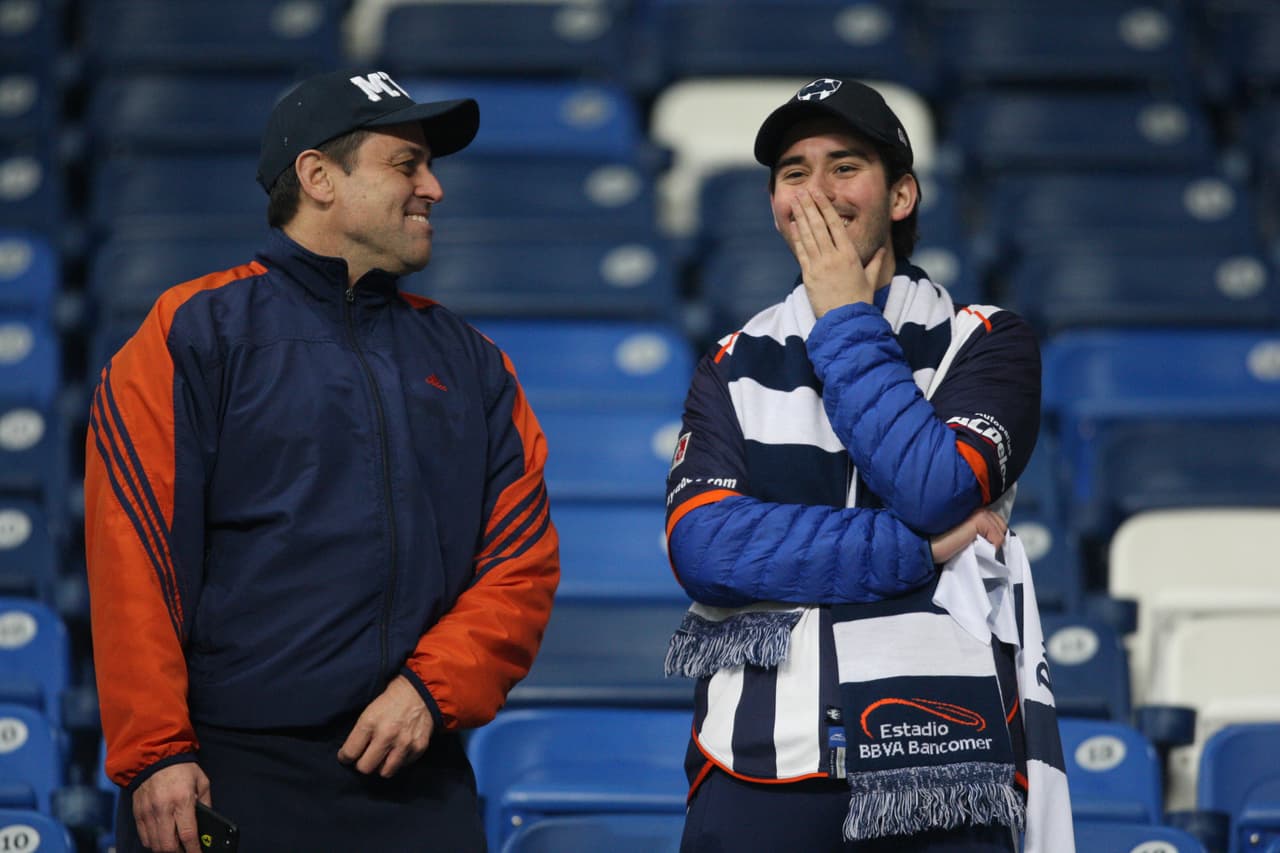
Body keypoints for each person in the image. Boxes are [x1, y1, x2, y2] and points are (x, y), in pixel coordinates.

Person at [84, 69, 560, 852]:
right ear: (317, 178)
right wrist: (158, 751)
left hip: (414, 771)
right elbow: (133, 555)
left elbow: (522, 561)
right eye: (406, 164)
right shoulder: (193, 331)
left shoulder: (473, 363)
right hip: (222, 773)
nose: (433, 188)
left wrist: (430, 688)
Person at [663, 78, 1068, 851]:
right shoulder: (728, 363)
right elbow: (708, 551)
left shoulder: (984, 339)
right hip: (757, 763)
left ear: (903, 194)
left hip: (941, 768)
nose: (816, 192)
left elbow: (932, 486)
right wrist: (917, 550)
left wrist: (845, 315)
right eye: (793, 173)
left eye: (844, 166)